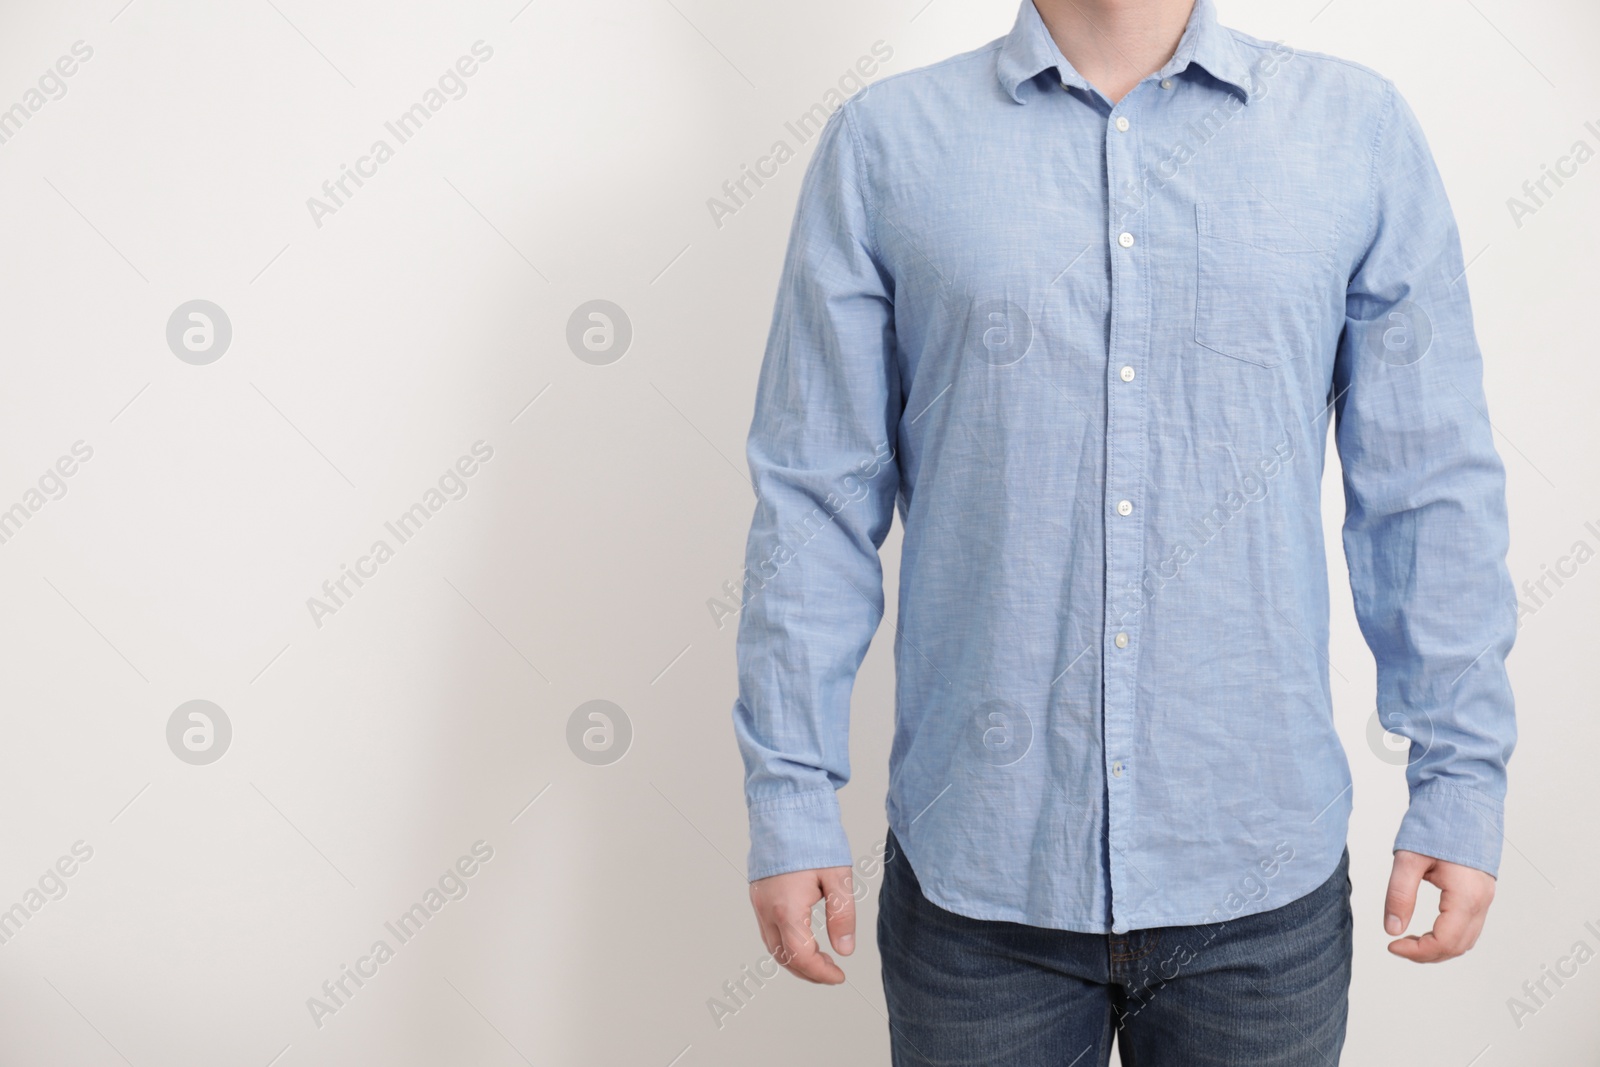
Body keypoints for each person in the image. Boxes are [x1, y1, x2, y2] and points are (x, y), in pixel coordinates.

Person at [729, 0, 1516, 1062]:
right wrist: (789, 792)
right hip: (978, 891)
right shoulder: (886, 145)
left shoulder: (1353, 133)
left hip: (1258, 888)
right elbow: (814, 497)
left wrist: (1458, 777)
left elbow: (1426, 484)